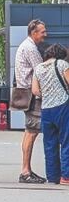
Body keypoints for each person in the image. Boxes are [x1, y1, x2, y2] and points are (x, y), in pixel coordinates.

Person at [30, 44, 69, 185]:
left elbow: (34, 90)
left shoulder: (38, 68)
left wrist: (47, 94)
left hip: (46, 109)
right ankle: (66, 176)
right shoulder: (62, 64)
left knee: (49, 143)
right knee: (66, 141)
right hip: (63, 106)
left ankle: (53, 176)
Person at [14, 19, 47, 183]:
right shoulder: (31, 48)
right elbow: (41, 71)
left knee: (30, 132)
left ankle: (27, 169)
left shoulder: (25, 46)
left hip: (25, 92)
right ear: (34, 33)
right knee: (32, 132)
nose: (45, 35)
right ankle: (25, 171)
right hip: (33, 95)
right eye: (42, 32)